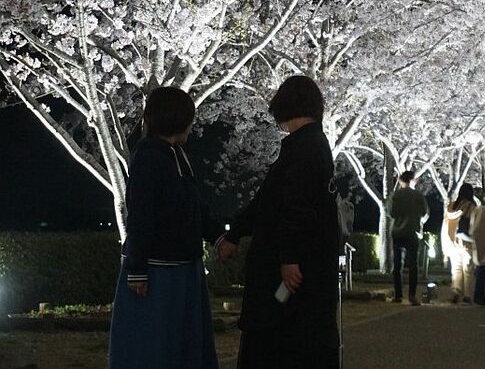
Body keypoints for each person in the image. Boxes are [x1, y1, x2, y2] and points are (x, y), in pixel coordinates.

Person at [217, 75, 341, 368]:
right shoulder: (310, 145)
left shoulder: (305, 149)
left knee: (283, 340)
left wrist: (290, 258)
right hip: (304, 268)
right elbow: (271, 201)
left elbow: (295, 208)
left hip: (290, 271)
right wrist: (236, 233)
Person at [109, 87, 223, 369]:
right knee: (155, 346)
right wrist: (137, 269)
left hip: (182, 266)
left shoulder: (176, 155)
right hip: (157, 270)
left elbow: (193, 206)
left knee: (180, 343)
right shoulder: (149, 157)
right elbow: (141, 215)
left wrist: (218, 236)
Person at [387, 170, 429, 305]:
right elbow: (425, 213)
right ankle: (412, 296)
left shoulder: (395, 195)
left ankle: (398, 295)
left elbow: (391, 213)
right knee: (413, 266)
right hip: (412, 232)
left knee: (397, 265)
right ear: (413, 180)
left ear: (400, 181)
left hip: (397, 232)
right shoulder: (418, 196)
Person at [442, 183, 476, 303]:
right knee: (467, 269)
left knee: (456, 268)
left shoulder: (451, 206)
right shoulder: (471, 206)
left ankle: (456, 292)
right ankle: (467, 296)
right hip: (466, 241)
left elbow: (445, 224)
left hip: (453, 241)